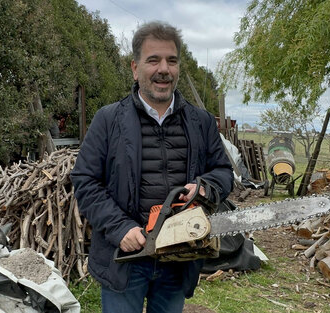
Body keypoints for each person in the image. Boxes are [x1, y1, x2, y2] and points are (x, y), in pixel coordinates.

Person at [70, 21, 233, 313]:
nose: (164, 69)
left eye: (171, 60)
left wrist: (206, 187)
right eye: (153, 60)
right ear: (135, 68)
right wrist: (119, 227)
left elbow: (223, 171)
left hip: (178, 259)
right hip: (125, 257)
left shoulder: (201, 122)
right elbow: (85, 180)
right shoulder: (108, 120)